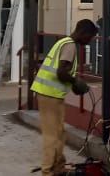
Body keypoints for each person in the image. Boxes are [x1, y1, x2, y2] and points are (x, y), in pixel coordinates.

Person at [30, 19, 97, 176]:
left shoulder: (64, 42)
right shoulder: (69, 46)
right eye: (90, 37)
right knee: (52, 135)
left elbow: (62, 71)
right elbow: (61, 72)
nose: (89, 41)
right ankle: (47, 171)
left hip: (52, 94)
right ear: (83, 33)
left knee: (59, 133)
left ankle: (59, 167)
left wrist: (72, 83)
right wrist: (75, 82)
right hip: (49, 94)